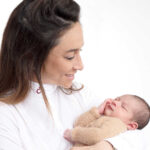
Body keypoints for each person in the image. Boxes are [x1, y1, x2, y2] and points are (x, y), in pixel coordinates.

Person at [0, 0, 149, 150]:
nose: (80, 65)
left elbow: (137, 131)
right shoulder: (6, 115)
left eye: (79, 51)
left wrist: (106, 146)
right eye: (70, 56)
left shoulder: (79, 93)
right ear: (31, 56)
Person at [64, 94, 150, 149]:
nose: (116, 102)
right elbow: (79, 124)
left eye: (123, 107)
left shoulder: (117, 124)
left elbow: (95, 136)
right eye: (117, 99)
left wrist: (73, 134)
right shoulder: (103, 118)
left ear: (131, 125)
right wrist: (97, 112)